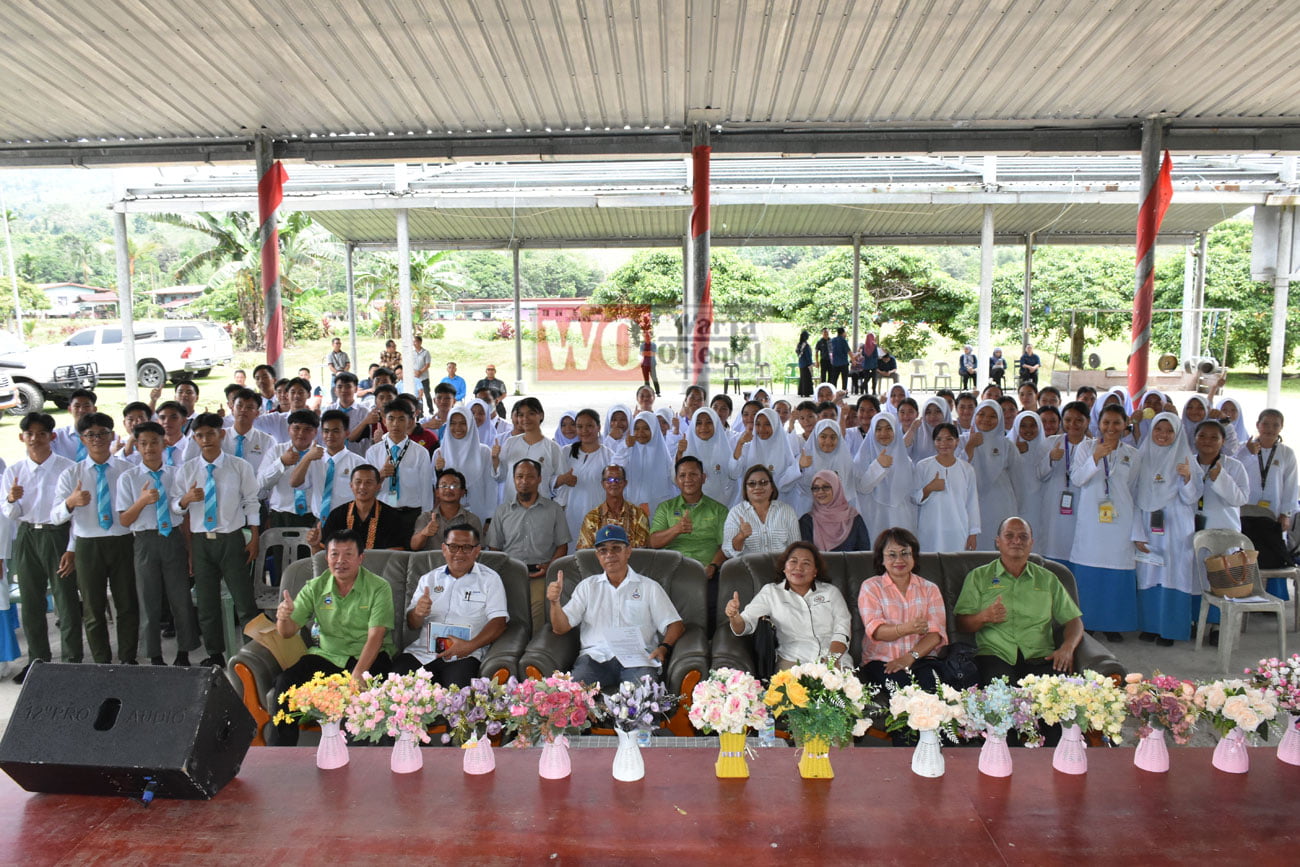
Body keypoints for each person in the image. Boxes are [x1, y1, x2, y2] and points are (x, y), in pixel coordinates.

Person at [268, 529, 395, 746]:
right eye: (334, 554)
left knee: (367, 698)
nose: (340, 561)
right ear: (326, 557)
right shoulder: (315, 587)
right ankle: (281, 753)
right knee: (285, 682)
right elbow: (287, 632)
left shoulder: (378, 587)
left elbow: (376, 636)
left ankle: (359, 759)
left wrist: (357, 675)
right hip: (328, 655)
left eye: (348, 554)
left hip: (367, 657)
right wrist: (283, 617)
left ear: (360, 558)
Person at [548, 524, 684, 690]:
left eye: (616, 548)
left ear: (628, 551)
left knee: (642, 702)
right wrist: (555, 602)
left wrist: (664, 648)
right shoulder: (587, 587)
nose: (609, 555)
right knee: (571, 698)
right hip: (594, 659)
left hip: (638, 660)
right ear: (598, 556)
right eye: (603, 550)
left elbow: (675, 624)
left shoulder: (649, 587)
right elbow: (560, 628)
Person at [175, 412, 260, 668]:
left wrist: (254, 537)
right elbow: (176, 506)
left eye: (210, 433)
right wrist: (185, 500)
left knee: (244, 601)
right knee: (207, 602)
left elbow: (251, 502)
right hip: (201, 542)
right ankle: (215, 654)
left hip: (231, 539)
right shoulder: (188, 470)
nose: (205, 439)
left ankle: (252, 653)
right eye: (199, 435)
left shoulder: (239, 466)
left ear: (221, 434)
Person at [954, 517, 1084, 685]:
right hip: (995, 655)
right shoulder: (978, 576)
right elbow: (960, 624)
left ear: (1031, 543)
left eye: (1023, 537)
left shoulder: (1047, 578)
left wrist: (1067, 648)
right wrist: (983, 617)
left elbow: (1073, 620)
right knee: (1001, 700)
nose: (1016, 541)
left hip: (1041, 655)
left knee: (1056, 702)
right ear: (998, 542)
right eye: (1009, 535)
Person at [52, 412, 137, 666]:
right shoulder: (71, 475)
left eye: (102, 433)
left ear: (112, 436)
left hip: (123, 542)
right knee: (93, 609)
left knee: (128, 605)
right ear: (82, 439)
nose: (97, 439)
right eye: (90, 435)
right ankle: (102, 661)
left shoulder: (127, 470)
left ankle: (128, 658)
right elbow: (55, 516)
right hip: (88, 545)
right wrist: (71, 502)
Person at [3, 413, 81, 682]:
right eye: (30, 434)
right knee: (31, 602)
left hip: (57, 535)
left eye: (41, 433)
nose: (35, 439)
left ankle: (72, 660)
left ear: (52, 436)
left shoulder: (68, 468)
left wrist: (71, 548)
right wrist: (12, 500)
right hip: (27, 536)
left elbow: (76, 515)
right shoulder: (14, 471)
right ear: (22, 437)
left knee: (66, 599)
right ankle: (37, 661)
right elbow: (10, 513)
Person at [117, 420, 200, 667]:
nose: (149, 447)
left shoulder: (177, 474)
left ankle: (184, 652)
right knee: (149, 600)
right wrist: (142, 500)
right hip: (145, 541)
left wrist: (189, 550)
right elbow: (124, 519)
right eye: (143, 443)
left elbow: (184, 517)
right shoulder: (128, 478)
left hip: (173, 538)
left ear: (164, 443)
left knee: (180, 598)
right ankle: (155, 656)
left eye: (154, 442)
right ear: (137, 446)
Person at [393, 525, 507, 686]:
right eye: (453, 547)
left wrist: (469, 647)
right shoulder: (429, 579)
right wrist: (418, 613)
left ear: (477, 550)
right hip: (423, 652)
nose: (459, 553)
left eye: (467, 547)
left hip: (465, 655)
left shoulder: (490, 579)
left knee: (457, 695)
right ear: (444, 549)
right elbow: (412, 623)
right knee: (394, 685)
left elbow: (499, 622)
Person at [1067, 403, 1140, 642]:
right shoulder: (1085, 448)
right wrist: (1095, 458)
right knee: (1088, 571)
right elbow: (1077, 479)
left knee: (1116, 570)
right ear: (1099, 423)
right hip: (1091, 520)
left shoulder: (1132, 454)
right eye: (1106, 422)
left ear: (1125, 423)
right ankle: (1086, 623)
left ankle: (1112, 624)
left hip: (1120, 521)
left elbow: (1133, 490)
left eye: (1116, 422)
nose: (1111, 427)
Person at [724, 540, 851, 669]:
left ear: (815, 572)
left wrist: (830, 661)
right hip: (792, 661)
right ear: (784, 568)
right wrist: (734, 615)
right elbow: (745, 624)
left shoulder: (830, 592)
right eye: (793, 561)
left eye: (806, 563)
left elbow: (843, 628)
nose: (799, 568)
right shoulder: (772, 592)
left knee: (842, 687)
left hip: (834, 658)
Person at [856, 527, 947, 692]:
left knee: (934, 693)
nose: (899, 559)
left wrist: (909, 657)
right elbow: (876, 631)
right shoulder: (871, 587)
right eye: (892, 554)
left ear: (914, 557)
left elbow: (935, 635)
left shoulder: (929, 589)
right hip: (881, 661)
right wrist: (908, 628)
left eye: (905, 553)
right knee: (904, 695)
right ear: (881, 559)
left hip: (921, 658)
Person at [484, 459, 570, 631]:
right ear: (514, 479)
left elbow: (562, 545)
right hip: (510, 573)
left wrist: (550, 567)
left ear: (539, 479)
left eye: (530, 476)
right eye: (519, 476)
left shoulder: (554, 509)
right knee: (510, 615)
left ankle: (534, 653)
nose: (524, 481)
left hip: (540, 573)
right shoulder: (502, 511)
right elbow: (494, 548)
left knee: (538, 615)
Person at [1133, 413, 1196, 646]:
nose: (1163, 435)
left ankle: (1170, 629)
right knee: (1149, 573)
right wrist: (1137, 532)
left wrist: (1187, 477)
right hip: (1148, 525)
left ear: (1178, 433)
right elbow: (1134, 496)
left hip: (1176, 527)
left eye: (1169, 431)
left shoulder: (1186, 457)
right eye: (1158, 429)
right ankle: (1150, 626)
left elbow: (1192, 497)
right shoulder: (1142, 456)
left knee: (1173, 575)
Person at [650, 456, 728, 620]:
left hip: (707, 572)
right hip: (673, 571)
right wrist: (676, 529)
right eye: (682, 475)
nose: (688, 480)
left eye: (693, 474)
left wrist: (713, 566)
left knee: (712, 607)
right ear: (676, 480)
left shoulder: (719, 510)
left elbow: (725, 546)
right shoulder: (665, 508)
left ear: (703, 478)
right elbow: (653, 542)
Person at [1239, 409, 1297, 599]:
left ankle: (1275, 597)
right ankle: (1244, 593)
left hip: (1274, 513)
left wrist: (1286, 513)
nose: (1270, 429)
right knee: (1245, 553)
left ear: (1281, 428)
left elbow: (1290, 485)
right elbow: (1233, 474)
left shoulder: (1286, 453)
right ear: (1257, 425)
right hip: (1245, 512)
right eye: (1266, 424)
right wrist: (1245, 453)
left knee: (1274, 552)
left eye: (1275, 425)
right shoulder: (1244, 449)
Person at [365, 399, 433, 542]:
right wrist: (381, 474)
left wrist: (426, 517)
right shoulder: (373, 452)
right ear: (384, 421)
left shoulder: (420, 453)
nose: (396, 424)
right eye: (391, 419)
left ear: (410, 421)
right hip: (382, 513)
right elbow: (366, 488)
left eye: (401, 419)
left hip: (411, 515)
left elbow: (426, 488)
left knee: (411, 557)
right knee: (385, 557)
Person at [289, 410, 365, 524]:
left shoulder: (358, 463)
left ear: (347, 433)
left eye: (335, 431)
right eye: (326, 431)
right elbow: (294, 483)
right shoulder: (313, 458)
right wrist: (307, 458)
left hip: (348, 522)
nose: (330, 436)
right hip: (319, 521)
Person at [1039, 400, 1092, 563]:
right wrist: (1050, 459)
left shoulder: (1093, 447)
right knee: (1053, 548)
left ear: (1087, 422)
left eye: (1078, 420)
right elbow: (1039, 474)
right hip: (1054, 508)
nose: (1073, 424)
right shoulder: (1051, 442)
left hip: (1081, 507)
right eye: (1068, 420)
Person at [554, 409, 616, 547]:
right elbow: (551, 481)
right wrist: (563, 479)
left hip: (598, 515)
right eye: (580, 426)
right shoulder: (566, 452)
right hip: (569, 514)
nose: (584, 430)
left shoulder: (608, 455)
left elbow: (614, 485)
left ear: (598, 427)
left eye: (589, 426)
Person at [914, 423, 979, 552]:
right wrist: (929, 488)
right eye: (939, 439)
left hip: (958, 529)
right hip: (931, 529)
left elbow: (972, 503)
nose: (944, 443)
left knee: (956, 566)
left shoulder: (967, 469)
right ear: (933, 442)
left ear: (957, 442)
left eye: (949, 439)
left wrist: (973, 534)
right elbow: (914, 497)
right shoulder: (923, 466)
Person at [315, 464, 408, 551]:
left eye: (369, 482)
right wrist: (314, 545)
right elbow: (323, 554)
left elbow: (396, 555)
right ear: (351, 485)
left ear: (378, 486)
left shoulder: (392, 516)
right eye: (358, 482)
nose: (363, 487)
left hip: (379, 567)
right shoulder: (337, 515)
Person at [258, 410, 324, 529]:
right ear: (289, 430)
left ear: (315, 432)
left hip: (312, 515)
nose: (301, 433)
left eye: (307, 429)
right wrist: (281, 462)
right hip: (281, 515)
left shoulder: (322, 454)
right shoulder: (276, 451)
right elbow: (262, 484)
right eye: (296, 428)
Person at [964, 400, 1017, 550]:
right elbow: (957, 470)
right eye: (981, 414)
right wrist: (970, 446)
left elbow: (1018, 479)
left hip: (1001, 505)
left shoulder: (1007, 445)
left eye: (992, 416)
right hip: (971, 504)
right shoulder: (962, 440)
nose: (986, 419)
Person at [856, 413, 918, 537]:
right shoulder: (862, 458)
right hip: (873, 516)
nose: (883, 433)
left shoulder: (906, 461)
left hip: (902, 518)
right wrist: (878, 466)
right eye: (878, 429)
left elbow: (912, 494)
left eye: (889, 428)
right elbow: (862, 488)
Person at [433, 407, 496, 524]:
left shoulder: (483, 452)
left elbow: (490, 486)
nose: (457, 428)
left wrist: (490, 516)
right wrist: (439, 471)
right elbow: (436, 488)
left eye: (463, 423)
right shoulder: (439, 453)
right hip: (448, 515)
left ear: (470, 424)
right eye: (453, 423)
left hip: (478, 513)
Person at [723, 465, 801, 559]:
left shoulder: (787, 511)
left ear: (772, 487)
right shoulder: (736, 513)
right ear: (746, 489)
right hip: (748, 570)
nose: (758, 487)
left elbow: (796, 549)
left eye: (763, 482)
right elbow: (728, 552)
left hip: (780, 569)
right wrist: (741, 536)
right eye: (752, 484)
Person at [494, 397, 563, 501]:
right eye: (521, 415)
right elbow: (500, 477)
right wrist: (495, 459)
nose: (525, 418)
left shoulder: (552, 448)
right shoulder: (510, 443)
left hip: (540, 509)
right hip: (513, 507)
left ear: (541, 415)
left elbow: (561, 484)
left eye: (531, 413)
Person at [409, 468, 484, 551]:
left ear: (463, 492)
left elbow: (479, 551)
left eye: (454, 486)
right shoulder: (425, 517)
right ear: (437, 492)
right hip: (432, 564)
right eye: (444, 486)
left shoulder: (472, 520)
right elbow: (414, 546)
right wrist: (424, 533)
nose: (448, 490)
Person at [577, 464, 650, 549]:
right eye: (609, 479)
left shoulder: (639, 515)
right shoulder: (592, 517)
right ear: (603, 484)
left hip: (632, 561)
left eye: (618, 479)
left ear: (625, 483)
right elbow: (585, 554)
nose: (614, 483)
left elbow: (642, 552)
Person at [624, 410, 678, 521]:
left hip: (658, 510)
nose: (640, 432)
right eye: (637, 428)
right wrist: (626, 448)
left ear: (654, 430)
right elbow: (617, 469)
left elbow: (674, 479)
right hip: (632, 508)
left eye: (646, 428)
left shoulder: (662, 455)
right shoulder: (628, 451)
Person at [801, 469, 870, 552]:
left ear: (836, 488)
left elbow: (864, 555)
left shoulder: (854, 518)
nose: (820, 492)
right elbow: (806, 555)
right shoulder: (807, 521)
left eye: (826, 487)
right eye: (815, 488)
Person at [640, 329, 660, 396]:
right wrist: (648, 353)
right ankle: (648, 393)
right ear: (644, 337)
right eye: (646, 336)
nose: (647, 337)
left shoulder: (654, 345)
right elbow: (642, 354)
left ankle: (658, 392)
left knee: (654, 378)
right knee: (646, 380)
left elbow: (653, 354)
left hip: (652, 364)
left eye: (648, 336)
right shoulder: (642, 345)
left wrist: (646, 353)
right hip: (644, 365)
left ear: (650, 337)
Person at [795, 330, 814, 397]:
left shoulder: (799, 345)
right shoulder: (806, 345)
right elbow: (808, 355)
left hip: (801, 363)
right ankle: (806, 392)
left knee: (802, 378)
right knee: (807, 378)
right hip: (806, 364)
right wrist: (810, 363)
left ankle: (801, 392)